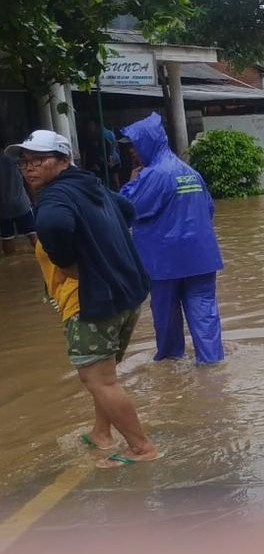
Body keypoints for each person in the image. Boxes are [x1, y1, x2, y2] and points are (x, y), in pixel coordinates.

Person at [9, 129, 159, 468]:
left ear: (63, 161)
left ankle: (142, 448)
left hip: (90, 300)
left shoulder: (53, 198)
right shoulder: (90, 184)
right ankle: (101, 433)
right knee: (105, 374)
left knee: (97, 379)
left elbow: (53, 225)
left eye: (38, 160)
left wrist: (68, 260)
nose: (29, 168)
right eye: (24, 162)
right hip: (127, 293)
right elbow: (127, 209)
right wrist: (103, 248)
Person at [119, 113, 225, 365]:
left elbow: (124, 208)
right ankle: (211, 364)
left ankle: (169, 364)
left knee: (165, 314)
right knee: (204, 312)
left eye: (134, 145)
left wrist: (131, 182)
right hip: (201, 256)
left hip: (164, 261)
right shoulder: (190, 172)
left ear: (147, 143)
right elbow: (209, 209)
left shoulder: (152, 175)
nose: (132, 152)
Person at [0, 152, 36, 255]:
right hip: (22, 204)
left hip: (3, 208)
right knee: (33, 235)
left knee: (7, 238)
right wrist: (33, 200)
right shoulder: (15, 160)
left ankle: (10, 267)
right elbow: (28, 182)